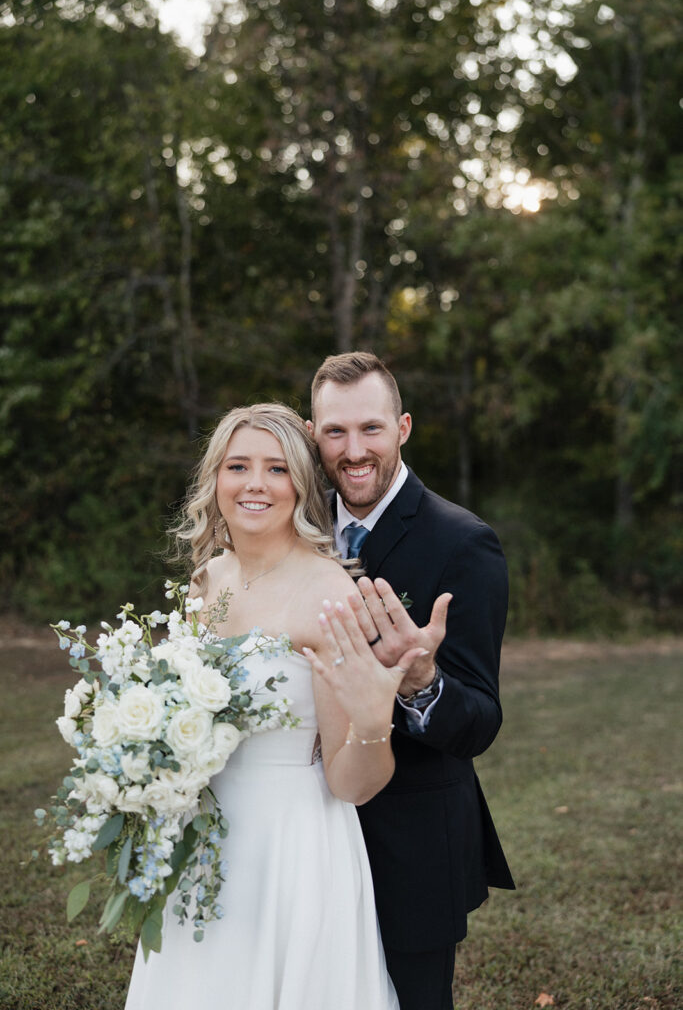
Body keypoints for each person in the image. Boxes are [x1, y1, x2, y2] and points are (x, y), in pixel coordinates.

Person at [125, 403, 417, 1009]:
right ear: (216, 480)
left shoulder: (330, 593)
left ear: (301, 486)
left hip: (292, 849)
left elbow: (352, 784)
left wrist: (370, 723)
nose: (255, 484)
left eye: (277, 469)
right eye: (238, 466)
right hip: (200, 840)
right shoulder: (207, 581)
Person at [307, 352, 515, 1010]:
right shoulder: (296, 528)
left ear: (402, 427)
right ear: (315, 437)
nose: (354, 450)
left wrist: (421, 682)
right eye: (335, 432)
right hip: (307, 831)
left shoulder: (462, 543)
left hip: (411, 844)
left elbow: (479, 721)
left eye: (370, 428)